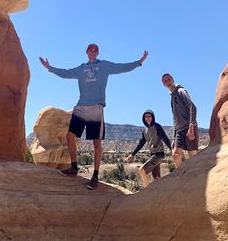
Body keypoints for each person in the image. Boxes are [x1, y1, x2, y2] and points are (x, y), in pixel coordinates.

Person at [40, 43, 148, 190]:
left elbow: (121, 67)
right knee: (70, 136)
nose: (93, 51)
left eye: (95, 50)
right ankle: (74, 167)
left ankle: (95, 176)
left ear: (98, 53)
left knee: (96, 143)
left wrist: (139, 62)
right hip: (81, 106)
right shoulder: (81, 68)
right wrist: (49, 68)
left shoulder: (105, 66)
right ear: (86, 52)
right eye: (90, 49)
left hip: (96, 108)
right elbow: (66, 73)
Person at [124, 109, 171, 187]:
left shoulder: (157, 126)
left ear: (152, 117)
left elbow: (165, 138)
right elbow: (141, 144)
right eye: (146, 116)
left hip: (158, 155)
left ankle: (146, 190)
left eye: (149, 116)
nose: (148, 118)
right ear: (144, 118)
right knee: (156, 177)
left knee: (141, 170)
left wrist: (172, 149)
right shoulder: (144, 131)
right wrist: (132, 154)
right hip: (152, 155)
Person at [161, 73, 198, 167]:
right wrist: (174, 138)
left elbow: (193, 107)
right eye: (165, 81)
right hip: (179, 131)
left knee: (193, 156)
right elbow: (175, 119)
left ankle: (196, 174)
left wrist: (191, 126)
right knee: (176, 155)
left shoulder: (180, 91)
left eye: (169, 79)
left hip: (189, 128)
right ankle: (184, 174)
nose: (168, 82)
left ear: (173, 80)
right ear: (163, 84)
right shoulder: (172, 98)